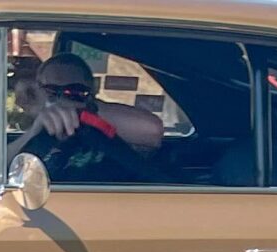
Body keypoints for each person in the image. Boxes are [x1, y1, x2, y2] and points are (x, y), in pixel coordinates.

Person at [9, 50, 165, 183]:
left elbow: (153, 130)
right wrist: (34, 130)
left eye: (74, 91)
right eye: (52, 91)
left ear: (92, 91)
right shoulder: (39, 129)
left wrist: (83, 111)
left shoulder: (106, 123)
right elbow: (1, 171)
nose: (62, 98)